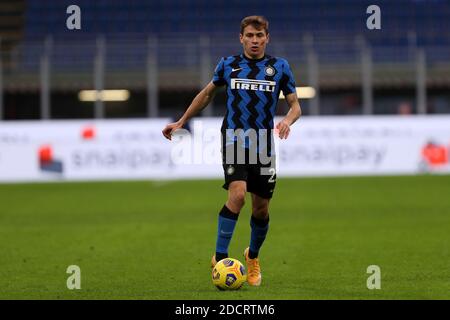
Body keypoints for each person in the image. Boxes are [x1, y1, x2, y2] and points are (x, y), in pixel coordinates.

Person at [162, 15, 301, 286]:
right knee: (237, 195)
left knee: (260, 210)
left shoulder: (279, 67)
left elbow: (296, 106)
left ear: (266, 38)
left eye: (259, 36)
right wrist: (181, 121)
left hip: (263, 143)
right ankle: (221, 257)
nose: (254, 41)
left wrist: (287, 120)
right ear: (241, 38)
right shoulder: (229, 65)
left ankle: (253, 256)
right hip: (234, 139)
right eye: (249, 35)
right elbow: (206, 95)